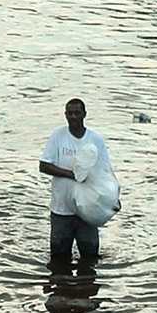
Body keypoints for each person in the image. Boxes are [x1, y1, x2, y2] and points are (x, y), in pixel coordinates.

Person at [39, 99, 113, 265]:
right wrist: (71, 174)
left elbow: (105, 172)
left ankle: (85, 289)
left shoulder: (96, 140)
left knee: (90, 259)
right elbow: (44, 166)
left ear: (84, 114)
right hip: (61, 210)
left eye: (77, 113)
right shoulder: (57, 136)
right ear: (65, 115)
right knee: (58, 260)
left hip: (88, 211)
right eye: (69, 113)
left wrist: (111, 199)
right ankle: (62, 289)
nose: (73, 117)